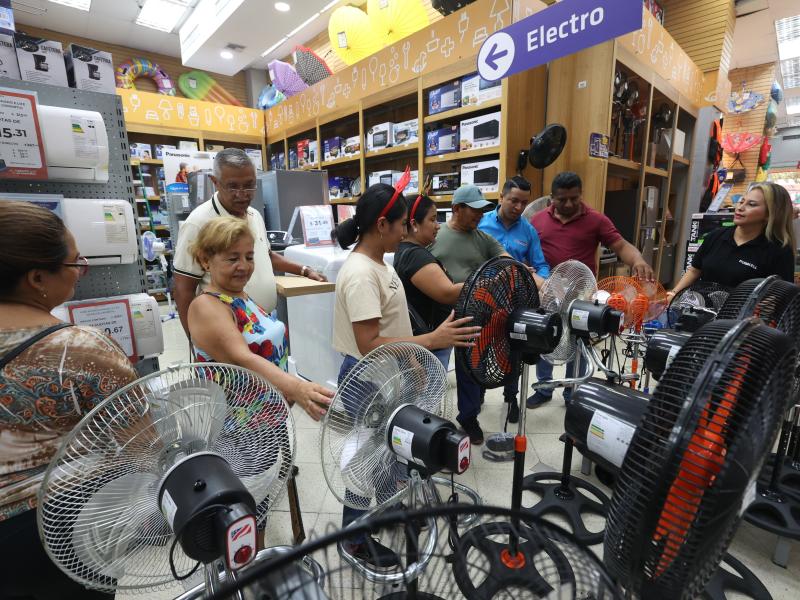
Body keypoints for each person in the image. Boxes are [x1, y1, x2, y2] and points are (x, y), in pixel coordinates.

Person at [332, 183, 480, 567]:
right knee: (368, 455)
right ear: (382, 225)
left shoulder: (382, 263)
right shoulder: (362, 274)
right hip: (366, 377)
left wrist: (413, 358)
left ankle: (388, 511)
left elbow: (392, 324)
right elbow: (368, 342)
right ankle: (354, 538)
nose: (406, 231)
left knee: (387, 449)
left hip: (388, 371)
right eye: (402, 225)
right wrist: (432, 340)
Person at [0, 201, 138, 600]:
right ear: (37, 277)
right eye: (76, 263)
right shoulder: (82, 350)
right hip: (55, 532)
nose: (81, 271)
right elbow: (143, 445)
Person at [527, 171, 654, 409]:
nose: (569, 204)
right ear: (551, 198)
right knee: (546, 338)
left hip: (581, 295)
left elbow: (621, 245)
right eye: (562, 199)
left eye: (574, 198)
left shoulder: (596, 220)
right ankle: (544, 388)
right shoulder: (537, 220)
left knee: (578, 344)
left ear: (580, 195)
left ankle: (573, 393)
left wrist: (637, 260)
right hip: (548, 293)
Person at [187, 216, 333, 422]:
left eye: (249, 257)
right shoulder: (207, 307)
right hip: (239, 430)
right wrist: (296, 387)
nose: (244, 266)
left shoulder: (240, 296)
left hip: (267, 421)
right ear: (205, 260)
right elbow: (242, 358)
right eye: (232, 258)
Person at [173, 148, 326, 338]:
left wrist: (304, 270)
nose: (242, 194)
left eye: (249, 185)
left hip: (262, 321)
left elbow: (266, 255)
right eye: (233, 186)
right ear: (215, 182)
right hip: (225, 330)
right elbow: (183, 290)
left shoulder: (254, 215)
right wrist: (196, 340)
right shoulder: (198, 223)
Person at [431, 185, 508, 444]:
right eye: (474, 210)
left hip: (474, 314)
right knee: (433, 369)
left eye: (482, 210)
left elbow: (505, 260)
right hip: (437, 316)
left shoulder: (482, 238)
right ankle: (429, 418)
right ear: (456, 209)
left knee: (471, 369)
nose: (479, 215)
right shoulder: (434, 234)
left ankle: (468, 416)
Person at [478, 176, 551, 420]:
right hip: (483, 300)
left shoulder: (528, 231)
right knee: (480, 350)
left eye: (524, 202)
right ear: (501, 197)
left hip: (515, 303)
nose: (519, 207)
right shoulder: (481, 223)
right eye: (513, 201)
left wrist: (538, 281)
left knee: (514, 352)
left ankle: (511, 399)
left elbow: (541, 266)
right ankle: (475, 402)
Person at [669, 182, 796, 298]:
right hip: (699, 312)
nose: (740, 208)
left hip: (741, 321)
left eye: (751, 204)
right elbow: (694, 270)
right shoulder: (715, 236)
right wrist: (674, 294)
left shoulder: (779, 251)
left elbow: (779, 296)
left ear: (770, 214)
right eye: (741, 202)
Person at [393, 194, 464, 370]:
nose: (438, 226)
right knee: (427, 394)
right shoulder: (415, 255)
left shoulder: (407, 251)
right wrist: (485, 281)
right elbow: (446, 292)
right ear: (414, 224)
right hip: (429, 345)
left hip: (427, 342)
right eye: (432, 219)